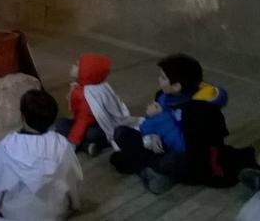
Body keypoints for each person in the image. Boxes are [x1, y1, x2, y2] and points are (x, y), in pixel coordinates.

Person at [110, 53, 257, 194]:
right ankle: (156, 171)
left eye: (163, 77)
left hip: (187, 157)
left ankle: (149, 170)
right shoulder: (163, 96)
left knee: (170, 160)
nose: (159, 80)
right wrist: (152, 134)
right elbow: (150, 124)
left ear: (176, 86)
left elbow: (187, 148)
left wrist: (161, 118)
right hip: (161, 147)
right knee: (121, 133)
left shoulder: (199, 109)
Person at [0, 89, 83, 221]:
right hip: (56, 214)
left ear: (23, 116)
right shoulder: (62, 144)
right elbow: (74, 179)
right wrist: (73, 204)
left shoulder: (6, 148)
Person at [55, 53, 132, 156]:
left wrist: (72, 145)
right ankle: (88, 146)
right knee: (63, 124)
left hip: (100, 128)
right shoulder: (89, 87)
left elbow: (82, 121)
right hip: (92, 124)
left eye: (77, 65)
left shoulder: (88, 95)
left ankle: (92, 145)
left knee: (87, 133)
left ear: (85, 73)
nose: (73, 66)